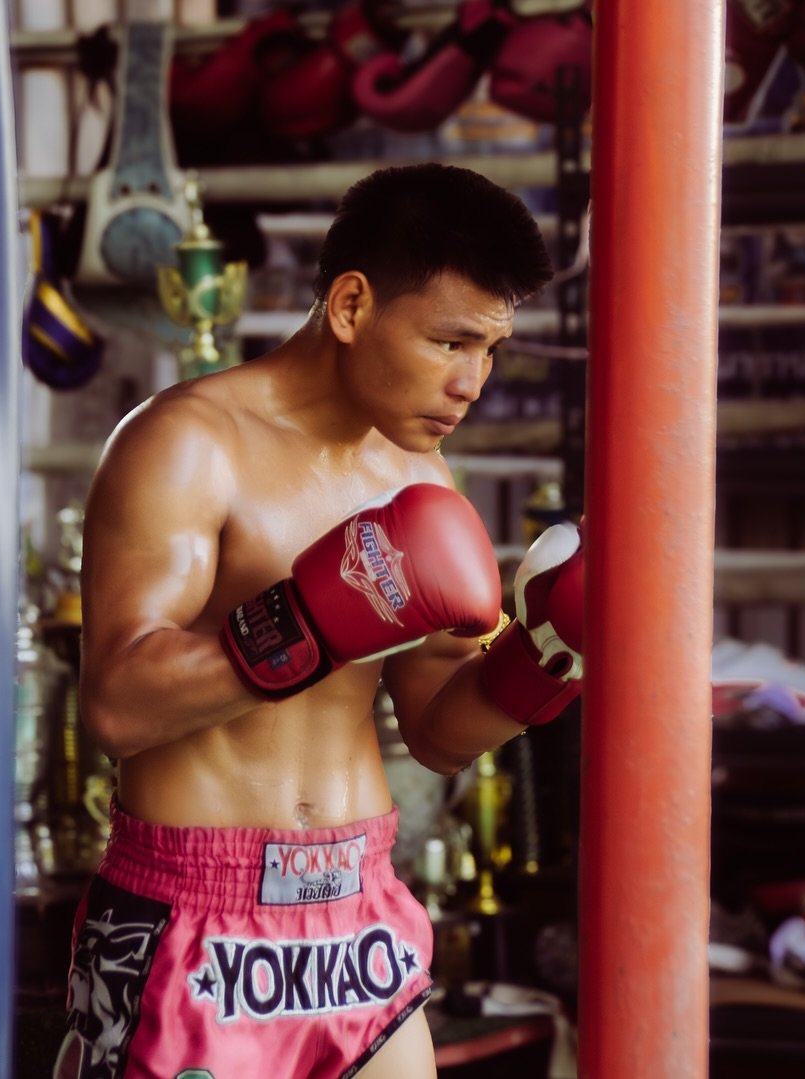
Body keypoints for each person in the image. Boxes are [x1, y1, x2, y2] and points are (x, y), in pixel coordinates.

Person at [53, 163, 585, 1079]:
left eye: (490, 349)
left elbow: (436, 734)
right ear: (349, 305)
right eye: (450, 342)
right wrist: (313, 616)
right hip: (194, 919)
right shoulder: (186, 445)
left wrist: (542, 663)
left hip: (360, 919)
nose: (473, 383)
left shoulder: (421, 480)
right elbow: (117, 704)